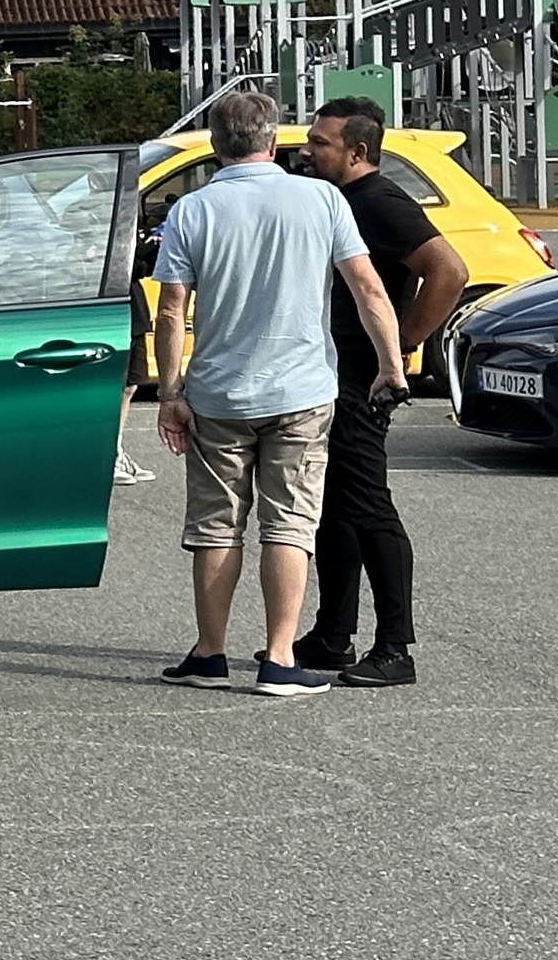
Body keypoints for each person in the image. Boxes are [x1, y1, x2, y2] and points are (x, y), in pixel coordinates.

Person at [150, 90, 408, 698]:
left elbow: (171, 310)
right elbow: (368, 289)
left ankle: (209, 653)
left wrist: (170, 391)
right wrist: (391, 365)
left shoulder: (192, 210)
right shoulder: (322, 199)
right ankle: (280, 657)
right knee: (289, 525)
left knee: (217, 526)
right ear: (273, 141)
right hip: (301, 391)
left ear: (216, 145)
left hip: (218, 394)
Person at [294, 96, 467, 687]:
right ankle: (332, 635)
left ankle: (395, 648)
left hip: (360, 379)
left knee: (369, 508)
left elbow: (449, 270)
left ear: (357, 151)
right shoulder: (336, 198)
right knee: (334, 508)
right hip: (329, 370)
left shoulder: (381, 201)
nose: (307, 150)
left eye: (320, 143)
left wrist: (406, 341)